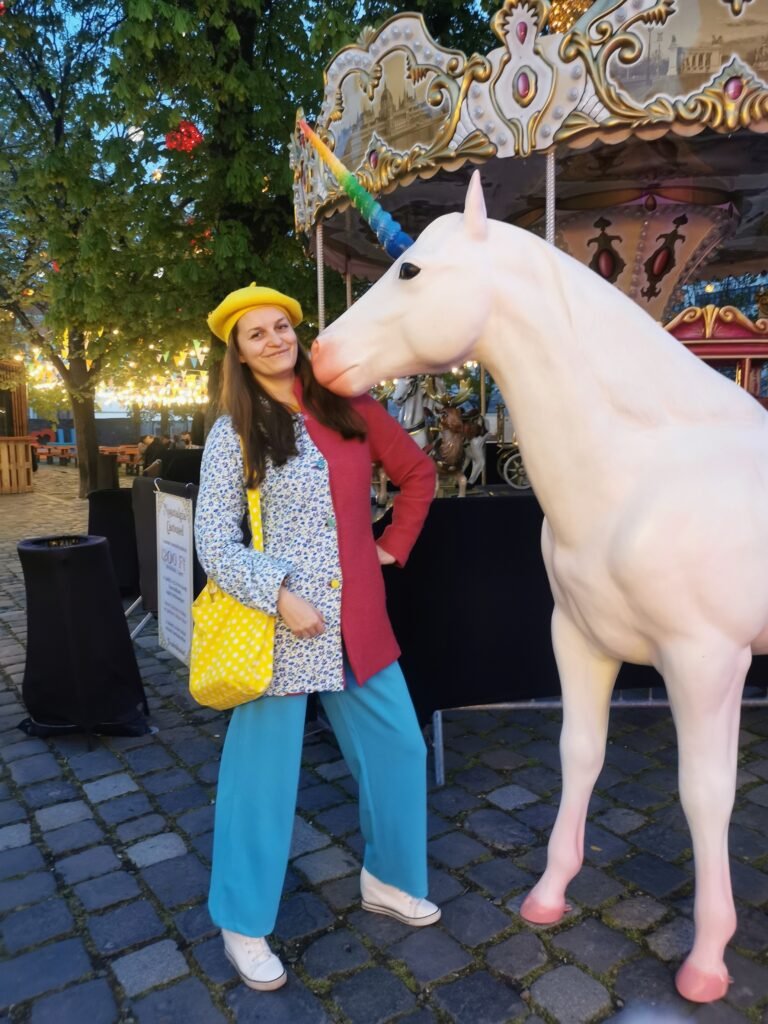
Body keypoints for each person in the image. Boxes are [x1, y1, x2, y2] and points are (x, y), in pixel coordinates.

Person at [195, 284, 439, 992]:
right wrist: (276, 592)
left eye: (281, 326)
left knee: (399, 748)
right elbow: (214, 539)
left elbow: (417, 474)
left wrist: (391, 545)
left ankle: (389, 879)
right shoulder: (232, 432)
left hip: (357, 619)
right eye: (255, 335)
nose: (273, 340)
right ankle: (242, 922)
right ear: (238, 354)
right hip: (281, 628)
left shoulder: (352, 407)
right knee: (259, 784)